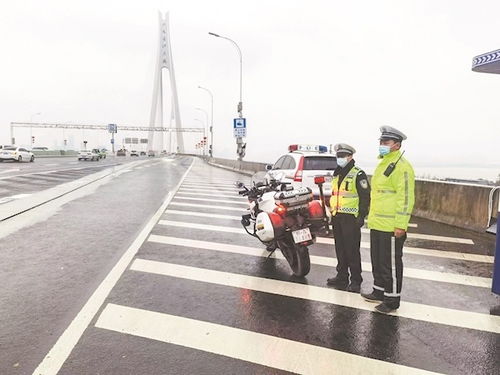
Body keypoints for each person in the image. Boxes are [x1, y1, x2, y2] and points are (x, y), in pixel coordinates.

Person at [362, 126, 415, 314]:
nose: (382, 145)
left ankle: (392, 300)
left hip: (392, 225)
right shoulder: (383, 163)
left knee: (390, 263)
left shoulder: (402, 166)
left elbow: (406, 197)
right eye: (381, 142)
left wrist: (401, 224)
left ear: (397, 145)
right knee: (377, 260)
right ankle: (379, 291)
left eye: (386, 142)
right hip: (378, 223)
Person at [327, 143, 370, 293]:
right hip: (337, 216)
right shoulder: (337, 173)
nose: (340, 158)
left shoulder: (358, 174)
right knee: (340, 248)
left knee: (352, 250)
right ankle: (342, 276)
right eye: (338, 156)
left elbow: (365, 196)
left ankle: (356, 280)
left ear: (350, 157)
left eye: (343, 156)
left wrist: (362, 215)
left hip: (351, 218)